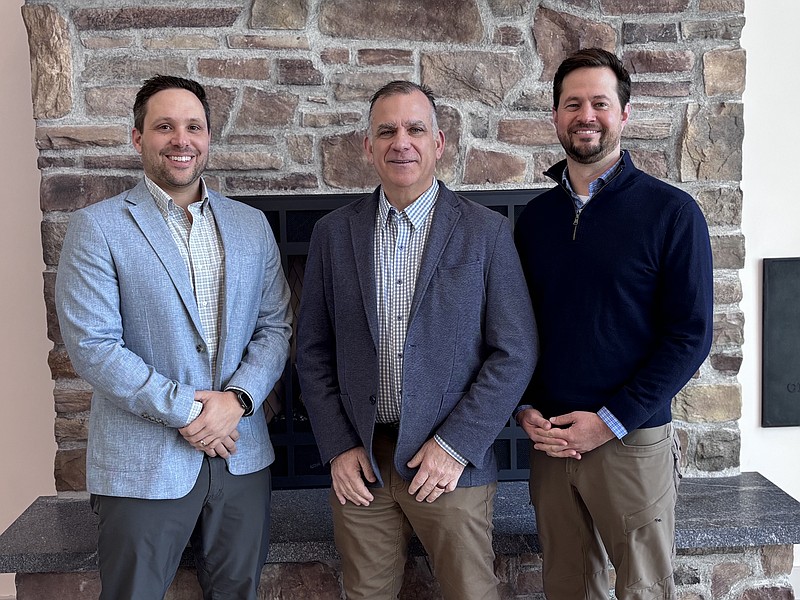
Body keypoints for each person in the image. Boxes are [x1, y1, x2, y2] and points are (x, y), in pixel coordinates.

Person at [295, 80, 538, 600]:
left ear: (438, 143)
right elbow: (312, 349)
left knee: (471, 593)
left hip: (448, 460)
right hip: (361, 460)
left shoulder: (486, 233)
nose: (400, 142)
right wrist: (338, 446)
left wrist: (454, 447)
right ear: (367, 146)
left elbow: (514, 351)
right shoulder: (333, 234)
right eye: (386, 131)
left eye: (414, 129)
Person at [55, 75, 292, 600]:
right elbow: (94, 346)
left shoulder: (251, 225)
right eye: (164, 126)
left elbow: (275, 326)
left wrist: (238, 400)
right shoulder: (97, 228)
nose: (181, 140)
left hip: (242, 455)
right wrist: (191, 411)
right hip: (143, 462)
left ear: (208, 137)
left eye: (194, 127)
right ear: (138, 138)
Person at [514, 48, 714, 599]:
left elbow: (691, 335)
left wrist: (609, 421)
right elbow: (518, 329)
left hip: (631, 441)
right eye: (572, 103)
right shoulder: (535, 221)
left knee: (643, 590)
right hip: (552, 444)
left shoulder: (671, 213)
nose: (586, 115)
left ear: (624, 114)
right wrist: (526, 406)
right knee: (568, 588)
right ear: (555, 116)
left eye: (600, 102)